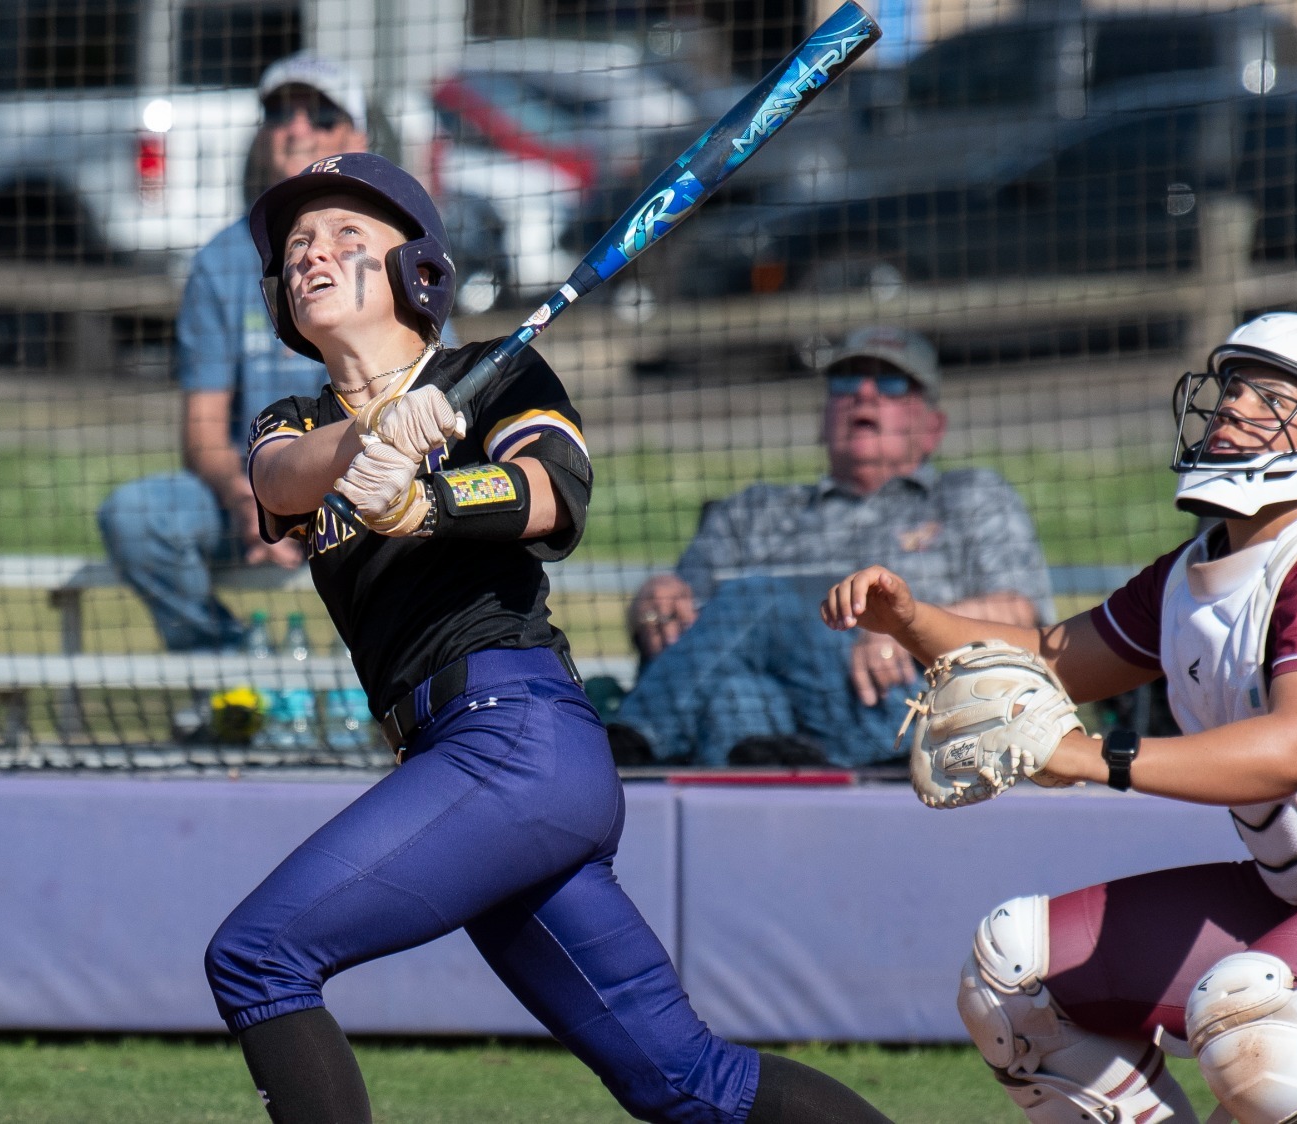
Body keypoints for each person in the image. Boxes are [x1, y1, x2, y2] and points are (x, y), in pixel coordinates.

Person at [202, 152, 893, 1124]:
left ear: (415, 272)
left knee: (258, 955)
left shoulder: (492, 377)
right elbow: (280, 481)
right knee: (688, 1080)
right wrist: (373, 439)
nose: (315, 253)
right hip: (460, 761)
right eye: (300, 245)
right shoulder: (297, 420)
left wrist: (427, 496)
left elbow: (550, 492)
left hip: (515, 732)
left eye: (348, 238)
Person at [824, 313, 1297, 1123]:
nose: (1234, 407)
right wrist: (910, 618)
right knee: (1014, 977)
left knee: (1256, 1019)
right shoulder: (1198, 567)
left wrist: (1092, 758)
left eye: (1272, 397)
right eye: (1234, 388)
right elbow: (1047, 657)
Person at [611, 326, 1053, 767]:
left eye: (891, 383)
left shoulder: (970, 497)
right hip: (781, 722)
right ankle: (783, 789)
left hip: (908, 709)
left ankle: (630, 742)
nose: (863, 394)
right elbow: (684, 637)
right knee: (737, 695)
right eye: (845, 382)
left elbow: (1020, 615)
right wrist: (653, 602)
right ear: (823, 418)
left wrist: (908, 626)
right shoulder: (753, 511)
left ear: (932, 427)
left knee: (756, 597)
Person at [96, 54, 371, 655]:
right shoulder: (222, 262)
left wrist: (309, 501)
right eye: (278, 112)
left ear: (358, 138)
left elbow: (416, 416)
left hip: (369, 495)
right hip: (247, 496)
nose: (295, 128)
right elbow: (201, 434)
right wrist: (255, 497)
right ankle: (232, 676)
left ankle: (406, 691)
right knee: (138, 516)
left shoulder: (395, 252)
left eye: (320, 115)